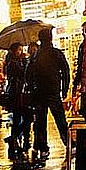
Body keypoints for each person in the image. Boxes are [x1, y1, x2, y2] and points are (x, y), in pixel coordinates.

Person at [25, 26, 71, 161]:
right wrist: (64, 88)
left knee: (40, 122)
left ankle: (42, 147)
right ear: (50, 38)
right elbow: (66, 71)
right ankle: (68, 143)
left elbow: (28, 74)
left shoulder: (35, 55)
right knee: (60, 119)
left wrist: (31, 87)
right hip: (53, 91)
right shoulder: (56, 53)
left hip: (39, 92)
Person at [2, 43, 32, 161]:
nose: (21, 51)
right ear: (14, 51)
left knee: (19, 117)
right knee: (24, 117)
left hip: (19, 94)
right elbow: (23, 74)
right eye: (19, 50)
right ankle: (14, 137)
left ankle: (15, 138)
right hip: (17, 94)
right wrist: (25, 61)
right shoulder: (13, 63)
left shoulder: (15, 62)